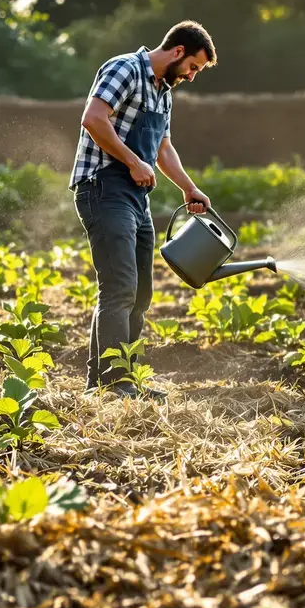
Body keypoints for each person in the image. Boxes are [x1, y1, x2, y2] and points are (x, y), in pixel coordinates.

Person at [68, 20, 216, 400]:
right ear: (178, 51)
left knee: (141, 294)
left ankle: (113, 381)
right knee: (119, 287)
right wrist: (134, 161)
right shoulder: (124, 69)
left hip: (136, 198)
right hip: (102, 186)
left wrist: (189, 187)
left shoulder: (164, 92)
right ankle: (115, 383)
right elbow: (93, 119)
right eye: (194, 68)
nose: (192, 76)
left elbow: (163, 149)